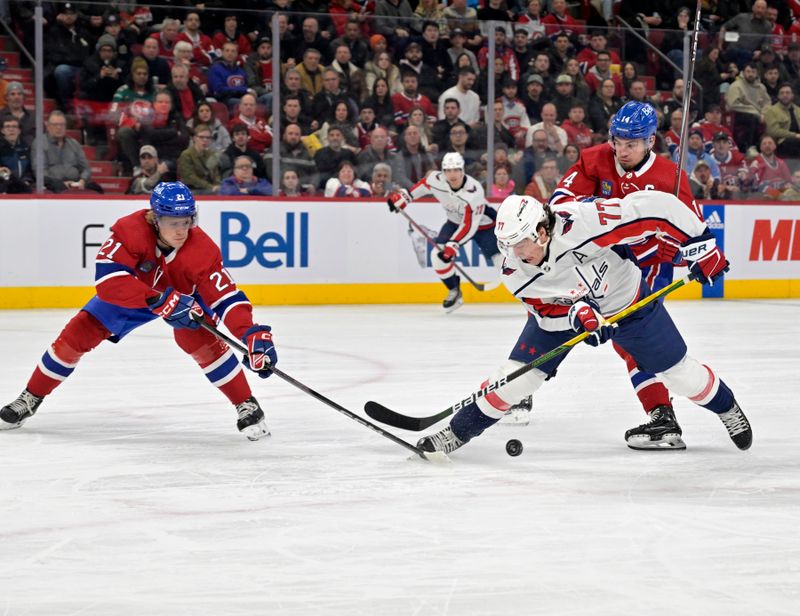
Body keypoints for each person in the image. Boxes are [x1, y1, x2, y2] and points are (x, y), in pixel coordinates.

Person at [414, 192, 752, 455]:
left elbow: (657, 207)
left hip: (629, 302)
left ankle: (728, 408)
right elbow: (544, 313)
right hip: (566, 317)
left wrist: (702, 244)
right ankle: (455, 433)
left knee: (679, 373)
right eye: (507, 247)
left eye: (520, 245)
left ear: (542, 231)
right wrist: (576, 315)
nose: (514, 255)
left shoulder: (585, 222)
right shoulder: (514, 270)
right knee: (516, 378)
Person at [0, 182, 274, 442]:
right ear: (155, 219)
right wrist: (155, 299)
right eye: (173, 223)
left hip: (183, 297)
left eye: (186, 222)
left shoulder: (203, 250)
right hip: (136, 293)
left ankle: (246, 403)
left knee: (198, 338)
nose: (181, 231)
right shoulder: (129, 231)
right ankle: (30, 397)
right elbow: (108, 282)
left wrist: (249, 332)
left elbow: (226, 297)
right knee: (80, 331)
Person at [550, 101, 702, 450]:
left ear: (651, 141)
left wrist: (688, 254)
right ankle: (524, 386)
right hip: (596, 265)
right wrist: (585, 209)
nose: (622, 149)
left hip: (649, 271)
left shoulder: (669, 176)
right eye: (617, 140)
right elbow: (560, 202)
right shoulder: (594, 159)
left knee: (631, 341)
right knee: (554, 317)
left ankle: (662, 414)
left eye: (632, 142)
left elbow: (692, 229)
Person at [386, 152, 502, 312]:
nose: (452, 174)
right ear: (443, 171)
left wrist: (453, 245)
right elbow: (422, 186)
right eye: (448, 170)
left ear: (462, 171)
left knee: (501, 261)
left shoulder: (473, 192)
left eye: (456, 170)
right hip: (454, 222)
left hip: (483, 225)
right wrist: (406, 197)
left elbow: (469, 226)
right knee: (438, 256)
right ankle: (455, 291)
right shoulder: (436, 179)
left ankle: (528, 294)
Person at [32, 111, 102, 194]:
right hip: (52, 186)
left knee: (96, 190)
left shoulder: (74, 144)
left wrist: (82, 180)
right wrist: (61, 184)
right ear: (48, 126)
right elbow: (40, 172)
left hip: (76, 185)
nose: (59, 127)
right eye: (55, 125)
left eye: (62, 125)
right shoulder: (40, 143)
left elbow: (86, 168)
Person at [0, 116, 33, 194]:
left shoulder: (25, 147)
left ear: (19, 130)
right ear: (2, 130)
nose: (11, 129)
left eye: (14, 126)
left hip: (22, 185)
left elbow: (30, 169)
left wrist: (27, 179)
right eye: (7, 127)